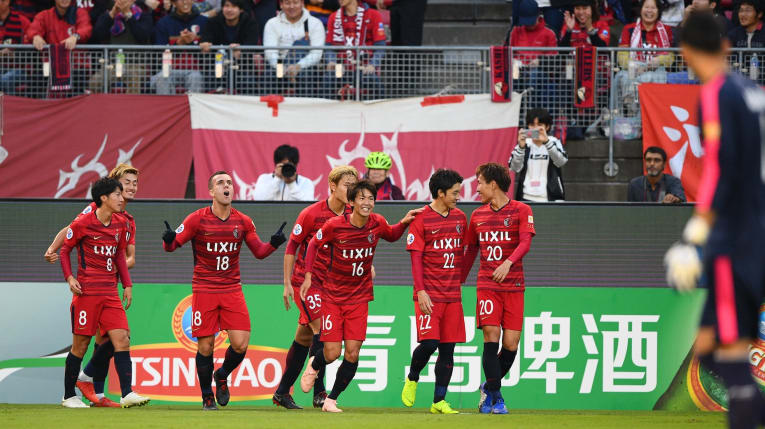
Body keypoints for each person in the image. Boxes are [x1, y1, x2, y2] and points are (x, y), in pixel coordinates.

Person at [664, 11, 765, 429]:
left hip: (734, 240)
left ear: (685, 51)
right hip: (755, 236)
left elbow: (720, 171)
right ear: (725, 44)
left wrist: (696, 233)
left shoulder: (716, 93)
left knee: (726, 351)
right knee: (707, 348)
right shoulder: (752, 91)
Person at [162, 170, 288, 410]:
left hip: (232, 288)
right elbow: (171, 246)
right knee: (206, 346)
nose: (226, 186)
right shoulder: (196, 219)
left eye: (229, 182)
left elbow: (259, 253)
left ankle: (222, 375)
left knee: (240, 344)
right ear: (211, 191)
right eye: (220, 183)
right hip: (204, 288)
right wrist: (168, 240)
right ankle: (206, 395)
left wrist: (273, 243)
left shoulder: (243, 221)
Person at [298, 180, 421, 412]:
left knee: (353, 353)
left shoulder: (377, 223)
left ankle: (331, 400)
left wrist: (404, 223)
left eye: (371, 198)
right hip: (333, 297)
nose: (367, 203)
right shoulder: (335, 225)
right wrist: (308, 276)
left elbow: (392, 235)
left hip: (360, 297)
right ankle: (315, 364)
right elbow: (313, 245)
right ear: (352, 202)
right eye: (362, 198)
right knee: (332, 353)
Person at [44, 163, 139, 408]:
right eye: (124, 185)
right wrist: (64, 269)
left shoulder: (123, 222)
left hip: (110, 289)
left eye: (133, 183)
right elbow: (68, 239)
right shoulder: (87, 218)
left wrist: (126, 284)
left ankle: (123, 393)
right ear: (105, 196)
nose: (130, 188)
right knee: (84, 344)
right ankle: (71, 394)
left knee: (120, 338)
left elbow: (123, 255)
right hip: (87, 291)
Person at [273, 165, 358, 410]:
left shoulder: (352, 215)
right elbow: (292, 247)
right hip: (305, 284)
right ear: (333, 186)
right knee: (323, 329)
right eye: (346, 185)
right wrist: (287, 282)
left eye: (354, 186)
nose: (350, 190)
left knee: (305, 337)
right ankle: (319, 392)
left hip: (331, 287)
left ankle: (281, 393)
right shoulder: (311, 213)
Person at [461, 163, 536, 414]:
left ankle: (488, 386)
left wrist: (508, 262)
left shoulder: (522, 210)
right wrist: (459, 278)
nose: (477, 188)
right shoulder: (478, 215)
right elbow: (471, 249)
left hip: (514, 285)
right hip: (487, 285)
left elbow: (525, 242)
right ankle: (498, 397)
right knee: (491, 336)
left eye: (480, 183)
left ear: (493, 184)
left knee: (512, 343)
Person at [400, 169, 467, 415]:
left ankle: (439, 401)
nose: (459, 196)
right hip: (428, 294)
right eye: (455, 192)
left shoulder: (460, 217)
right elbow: (415, 259)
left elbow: (464, 253)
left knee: (448, 349)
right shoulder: (421, 218)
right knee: (429, 343)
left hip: (452, 296)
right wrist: (421, 291)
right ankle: (412, 377)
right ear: (440, 193)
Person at [614, 0, 673, 117]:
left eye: (653, 8)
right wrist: (636, 65)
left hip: (656, 70)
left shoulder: (666, 30)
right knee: (623, 77)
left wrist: (656, 62)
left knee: (650, 77)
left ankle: (648, 118)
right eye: (646, 7)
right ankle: (632, 116)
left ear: (658, 11)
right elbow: (621, 56)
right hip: (633, 70)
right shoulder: (628, 29)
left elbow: (670, 57)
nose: (649, 11)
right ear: (640, 10)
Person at [323, 0, 386, 100]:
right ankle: (327, 113)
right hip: (341, 66)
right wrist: (332, 61)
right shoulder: (334, 16)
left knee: (373, 81)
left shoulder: (373, 15)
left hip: (363, 67)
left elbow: (380, 47)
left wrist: (373, 64)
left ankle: (380, 112)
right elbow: (329, 47)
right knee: (329, 78)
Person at [27, 0, 92, 94]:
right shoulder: (45, 15)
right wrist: (35, 36)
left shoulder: (80, 13)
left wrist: (75, 36)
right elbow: (32, 29)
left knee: (77, 97)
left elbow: (86, 28)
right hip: (50, 67)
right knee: (34, 87)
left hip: (76, 66)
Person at [89, 0, 153, 94]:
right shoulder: (108, 15)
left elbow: (142, 36)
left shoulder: (144, 16)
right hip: (112, 65)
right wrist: (112, 15)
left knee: (133, 78)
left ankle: (130, 108)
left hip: (137, 64)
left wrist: (128, 15)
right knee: (95, 82)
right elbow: (97, 35)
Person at [263, 0, 325, 96]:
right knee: (269, 74)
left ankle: (305, 107)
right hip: (279, 65)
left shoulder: (315, 23)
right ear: (281, 5)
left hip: (305, 66)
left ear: (302, 3)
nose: (292, 6)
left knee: (301, 46)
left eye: (295, 2)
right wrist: (281, 68)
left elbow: (316, 54)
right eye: (287, 3)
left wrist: (298, 67)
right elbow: (270, 52)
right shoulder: (272, 23)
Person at [506, 0, 558, 112]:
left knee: (534, 76)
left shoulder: (549, 33)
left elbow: (555, 61)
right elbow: (510, 54)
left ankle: (533, 112)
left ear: (538, 16)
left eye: (531, 21)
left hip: (540, 74)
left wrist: (540, 61)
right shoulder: (516, 31)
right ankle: (515, 114)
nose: (528, 25)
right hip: (519, 72)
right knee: (512, 75)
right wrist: (515, 62)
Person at [199, 0, 261, 93]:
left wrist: (241, 49)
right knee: (210, 79)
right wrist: (205, 44)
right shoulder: (212, 22)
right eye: (226, 6)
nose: (229, 10)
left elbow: (251, 44)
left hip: (242, 67)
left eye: (234, 7)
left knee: (248, 81)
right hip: (216, 66)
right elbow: (206, 40)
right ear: (222, 8)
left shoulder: (250, 23)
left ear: (241, 10)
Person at [510, 107, 568, 202]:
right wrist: (521, 147)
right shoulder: (525, 143)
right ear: (528, 126)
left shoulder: (554, 141)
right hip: (526, 197)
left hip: (551, 197)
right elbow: (515, 168)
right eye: (532, 125)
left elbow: (561, 161)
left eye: (540, 125)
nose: (535, 128)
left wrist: (547, 142)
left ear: (547, 127)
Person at [151, 0, 207, 94]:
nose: (185, 2)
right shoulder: (163, 23)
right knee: (162, 77)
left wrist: (191, 43)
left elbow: (206, 56)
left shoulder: (204, 21)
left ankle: (194, 108)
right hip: (168, 70)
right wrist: (178, 44)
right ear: (173, 3)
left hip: (195, 70)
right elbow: (159, 54)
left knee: (195, 77)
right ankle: (166, 108)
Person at [0, 0, 31, 96]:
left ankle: (10, 109)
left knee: (6, 78)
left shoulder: (22, 21)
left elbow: (31, 50)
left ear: (7, 2)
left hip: (19, 69)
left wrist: (14, 55)